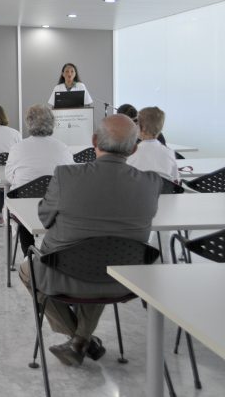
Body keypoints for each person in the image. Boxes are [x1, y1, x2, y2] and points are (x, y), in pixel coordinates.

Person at [19, 114, 162, 367]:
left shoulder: (67, 176)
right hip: (125, 280)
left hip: (63, 275)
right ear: (134, 147)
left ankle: (79, 339)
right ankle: (82, 340)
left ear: (94, 140)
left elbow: (44, 218)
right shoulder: (151, 183)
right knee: (102, 257)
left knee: (27, 268)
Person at [5, 104, 74, 255]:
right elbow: (71, 178)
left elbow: (9, 177)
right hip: (56, 207)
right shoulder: (62, 147)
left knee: (22, 212)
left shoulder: (18, 148)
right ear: (52, 123)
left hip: (24, 204)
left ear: (28, 122)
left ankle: (27, 257)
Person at [127, 107, 179, 182]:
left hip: (138, 192)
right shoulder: (169, 153)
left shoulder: (131, 154)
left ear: (142, 128)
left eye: (137, 122)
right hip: (165, 192)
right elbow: (176, 180)